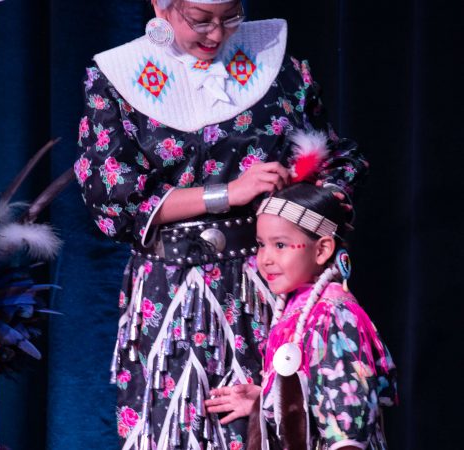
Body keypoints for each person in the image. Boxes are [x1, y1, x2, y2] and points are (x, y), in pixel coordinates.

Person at [74, 0, 368, 448]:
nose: (217, 34)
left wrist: (299, 199)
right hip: (171, 291)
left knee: (270, 422)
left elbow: (334, 160)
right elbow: (111, 198)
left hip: (267, 282)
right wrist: (228, 193)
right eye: (200, 20)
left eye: (230, 17)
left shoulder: (278, 66)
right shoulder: (118, 77)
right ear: (161, 6)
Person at [241, 182, 397, 450]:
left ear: (322, 250)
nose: (264, 258)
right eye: (260, 244)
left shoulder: (334, 314)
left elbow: (348, 422)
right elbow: (310, 396)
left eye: (280, 245)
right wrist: (263, 401)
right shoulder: (295, 309)